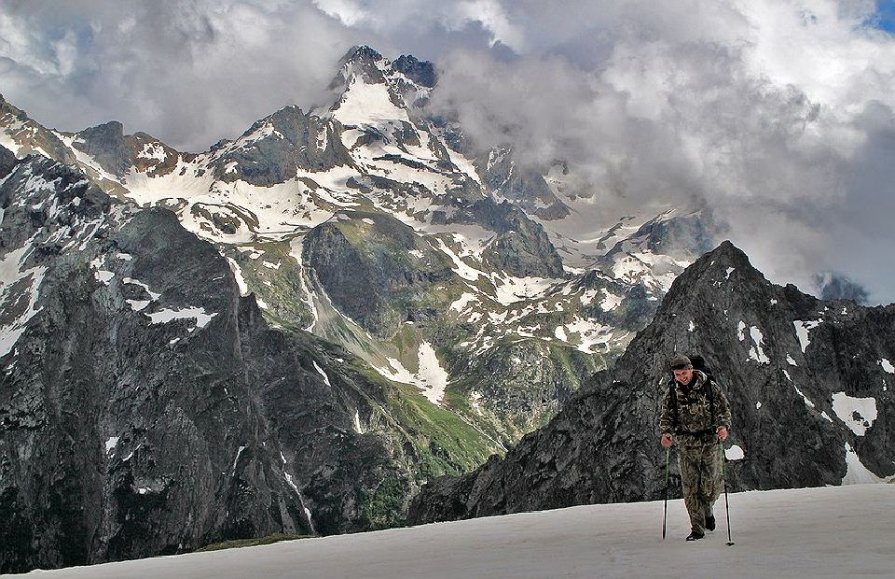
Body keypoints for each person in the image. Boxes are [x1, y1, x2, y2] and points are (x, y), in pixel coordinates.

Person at [659, 354, 732, 541]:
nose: (681, 377)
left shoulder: (709, 387)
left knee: (709, 487)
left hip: (709, 443)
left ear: (691, 369)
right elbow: (667, 416)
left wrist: (722, 427)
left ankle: (708, 510)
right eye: (677, 374)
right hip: (686, 445)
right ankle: (697, 528)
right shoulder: (673, 392)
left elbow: (723, 409)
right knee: (690, 488)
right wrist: (666, 433)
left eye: (684, 373)